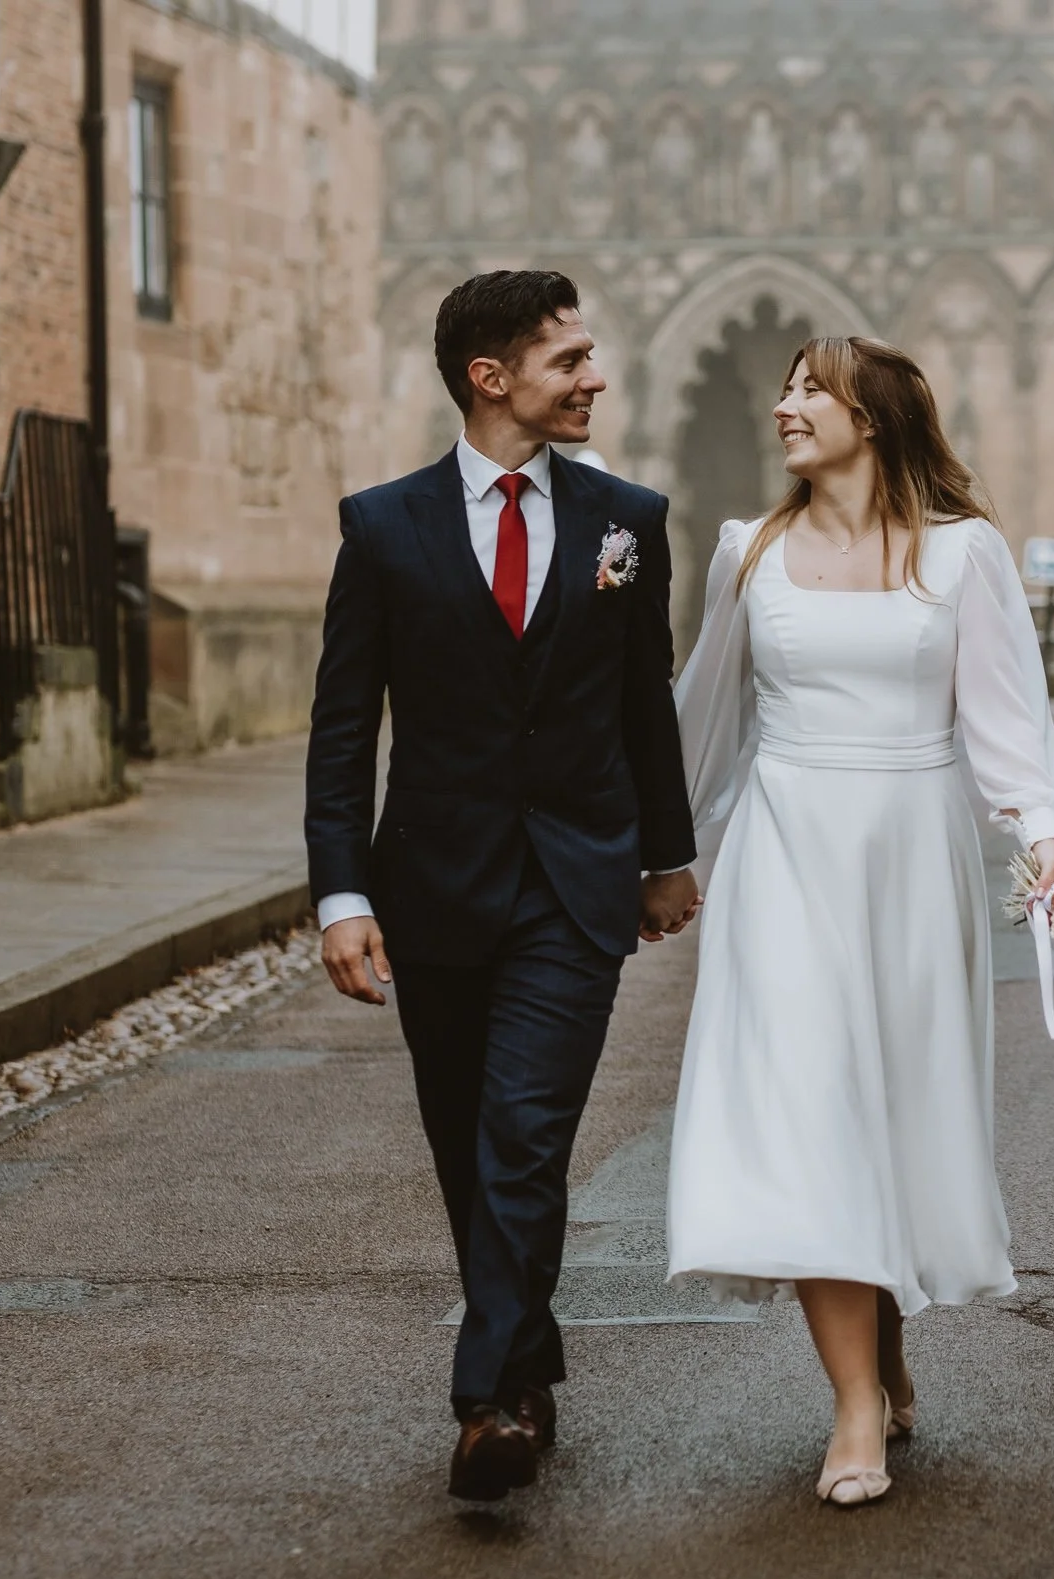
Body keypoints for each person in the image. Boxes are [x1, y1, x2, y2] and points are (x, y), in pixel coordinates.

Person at [304, 271, 702, 1501]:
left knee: (525, 1136)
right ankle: (527, 1367)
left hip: (573, 887)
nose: (594, 378)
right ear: (492, 378)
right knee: (464, 1142)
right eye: (568, 359)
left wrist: (663, 855)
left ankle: (486, 1404)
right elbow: (339, 729)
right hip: (431, 888)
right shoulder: (383, 526)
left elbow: (648, 705)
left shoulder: (627, 518)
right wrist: (340, 893)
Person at [666, 337, 1054, 1507]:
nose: (785, 404)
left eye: (811, 388)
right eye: (786, 387)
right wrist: (643, 855)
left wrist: (1045, 852)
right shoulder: (746, 553)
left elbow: (1007, 727)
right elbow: (700, 721)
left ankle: (883, 1345)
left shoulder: (962, 555)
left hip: (911, 863)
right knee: (806, 1107)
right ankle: (853, 1405)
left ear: (877, 418)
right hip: (783, 857)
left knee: (883, 1113)